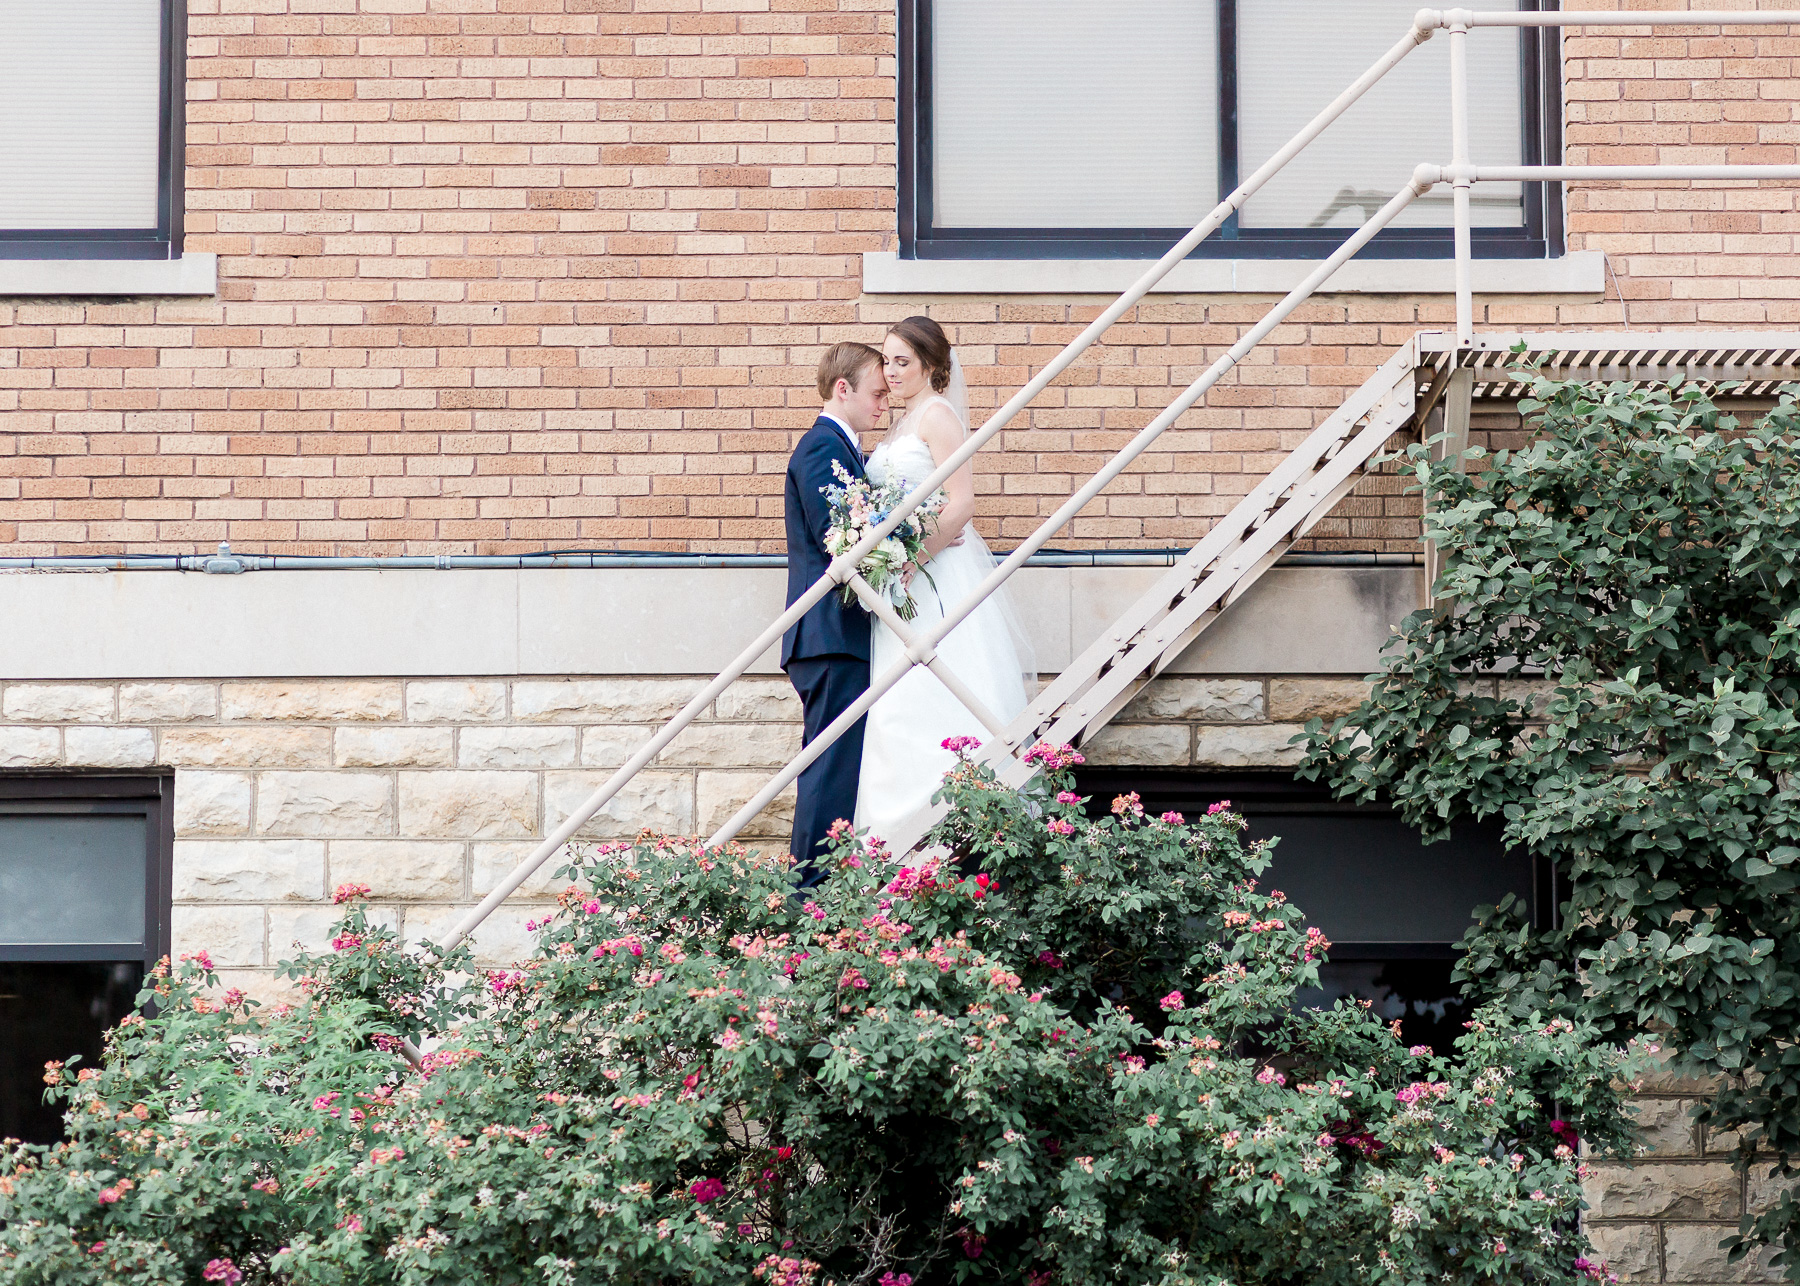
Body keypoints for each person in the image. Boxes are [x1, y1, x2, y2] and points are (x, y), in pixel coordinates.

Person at [854, 316, 1035, 841]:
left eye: (901, 361)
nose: (889, 372)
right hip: (901, 582)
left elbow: (961, 503)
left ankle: (955, 821)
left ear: (931, 366)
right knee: (896, 701)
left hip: (933, 577)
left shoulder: (937, 416)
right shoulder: (899, 423)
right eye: (886, 360)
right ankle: (897, 833)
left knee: (936, 689)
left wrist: (910, 558)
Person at [781, 341, 888, 883]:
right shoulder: (823, 449)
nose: (883, 405)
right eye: (876, 393)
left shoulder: (839, 449)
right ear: (842, 389)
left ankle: (822, 887)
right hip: (829, 636)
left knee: (837, 765)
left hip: (834, 638)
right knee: (829, 767)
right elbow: (841, 542)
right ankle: (809, 893)